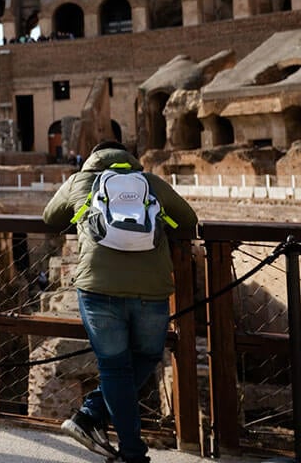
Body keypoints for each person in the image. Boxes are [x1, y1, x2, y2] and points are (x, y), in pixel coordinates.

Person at [42, 140, 198, 463]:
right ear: (129, 159)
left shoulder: (79, 182)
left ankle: (124, 446)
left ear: (92, 159)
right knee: (148, 355)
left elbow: (49, 219)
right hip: (151, 289)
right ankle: (93, 418)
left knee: (114, 367)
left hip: (98, 287)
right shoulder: (149, 183)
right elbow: (188, 220)